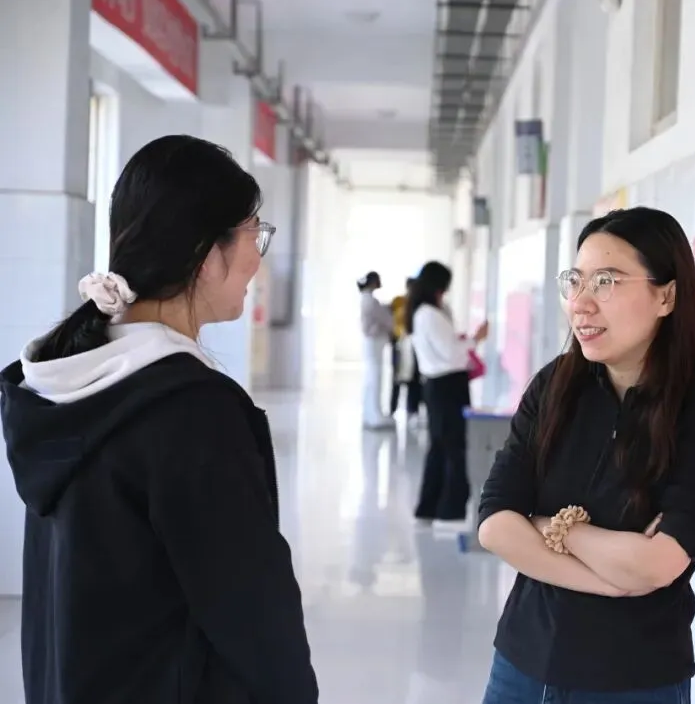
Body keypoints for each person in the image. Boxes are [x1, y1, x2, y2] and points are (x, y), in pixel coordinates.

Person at [0, 135, 318, 704]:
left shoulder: (62, 384)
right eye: (253, 233)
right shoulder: (194, 412)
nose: (256, 258)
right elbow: (253, 617)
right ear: (205, 249)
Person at [476, 207, 695, 703]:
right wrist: (608, 582)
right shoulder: (556, 385)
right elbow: (494, 524)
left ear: (665, 295)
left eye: (606, 282)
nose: (581, 304)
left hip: (632, 679)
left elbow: (656, 566)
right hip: (521, 664)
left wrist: (550, 525)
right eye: (576, 281)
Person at [407, 261, 488, 526]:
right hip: (447, 385)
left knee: (441, 447)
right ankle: (449, 508)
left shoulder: (425, 313)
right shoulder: (429, 314)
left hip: (440, 385)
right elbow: (451, 353)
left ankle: (431, 507)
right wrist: (475, 339)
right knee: (453, 447)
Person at [358, 270, 395, 430]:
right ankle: (375, 415)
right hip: (374, 342)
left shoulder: (367, 300)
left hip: (372, 343)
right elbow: (386, 320)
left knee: (371, 378)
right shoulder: (371, 301)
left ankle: (370, 414)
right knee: (375, 377)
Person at [389, 277, 423, 424]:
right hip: (399, 344)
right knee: (397, 379)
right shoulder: (399, 302)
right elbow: (391, 321)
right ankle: (393, 409)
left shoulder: (420, 306)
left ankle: (412, 410)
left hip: (414, 346)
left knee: (413, 380)